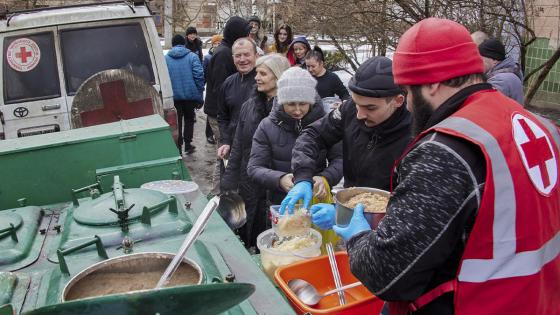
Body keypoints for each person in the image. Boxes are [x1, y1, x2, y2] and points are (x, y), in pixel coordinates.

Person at [332, 18, 559, 314]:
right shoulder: (542, 127)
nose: (409, 106)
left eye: (409, 92)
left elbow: (385, 274)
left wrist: (358, 236)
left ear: (433, 83)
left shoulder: (446, 150)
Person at [280, 56, 412, 214]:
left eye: (370, 108)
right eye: (357, 104)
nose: (360, 115)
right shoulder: (349, 110)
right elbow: (312, 135)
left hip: (386, 219)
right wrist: (302, 176)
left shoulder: (415, 134)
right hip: (348, 205)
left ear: (398, 101)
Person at [221, 54, 291, 249]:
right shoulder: (249, 107)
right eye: (256, 73)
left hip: (278, 184)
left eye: (263, 73)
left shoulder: (292, 109)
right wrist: (228, 182)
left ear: (278, 76)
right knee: (248, 229)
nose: (257, 77)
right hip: (249, 180)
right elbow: (238, 147)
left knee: (276, 237)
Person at [247, 67, 343, 206]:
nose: (297, 110)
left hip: (316, 199)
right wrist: (279, 179)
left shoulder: (325, 123)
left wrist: (325, 178)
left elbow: (340, 159)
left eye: (303, 103)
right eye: (291, 104)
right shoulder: (267, 126)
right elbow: (254, 167)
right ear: (281, 101)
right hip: (281, 201)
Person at [204, 16, 251, 196]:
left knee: (226, 153)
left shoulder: (225, 50)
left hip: (221, 111)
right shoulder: (224, 54)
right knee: (226, 154)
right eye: (245, 34)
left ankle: (220, 193)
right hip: (220, 114)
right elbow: (221, 88)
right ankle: (218, 194)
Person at [216, 38, 258, 161]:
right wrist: (225, 141)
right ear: (233, 58)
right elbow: (223, 116)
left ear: (256, 56)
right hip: (234, 149)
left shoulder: (265, 82)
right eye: (238, 56)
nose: (242, 59)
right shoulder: (228, 83)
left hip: (259, 150)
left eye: (246, 55)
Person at [165, 34, 204, 154]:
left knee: (177, 123)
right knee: (189, 119)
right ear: (184, 43)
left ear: (172, 44)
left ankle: (178, 148)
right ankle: (188, 144)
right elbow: (199, 75)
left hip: (174, 97)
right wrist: (199, 94)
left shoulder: (166, 58)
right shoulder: (192, 57)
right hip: (190, 96)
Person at [479, 38, 524, 105]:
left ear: (494, 60)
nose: (478, 62)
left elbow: (483, 105)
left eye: (481, 59)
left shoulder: (500, 81)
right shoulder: (509, 74)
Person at [203, 34, 223, 145]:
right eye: (216, 43)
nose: (218, 45)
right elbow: (204, 71)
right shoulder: (208, 57)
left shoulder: (222, 55)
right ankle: (209, 134)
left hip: (218, 86)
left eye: (219, 43)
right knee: (211, 114)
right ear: (212, 44)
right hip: (211, 87)